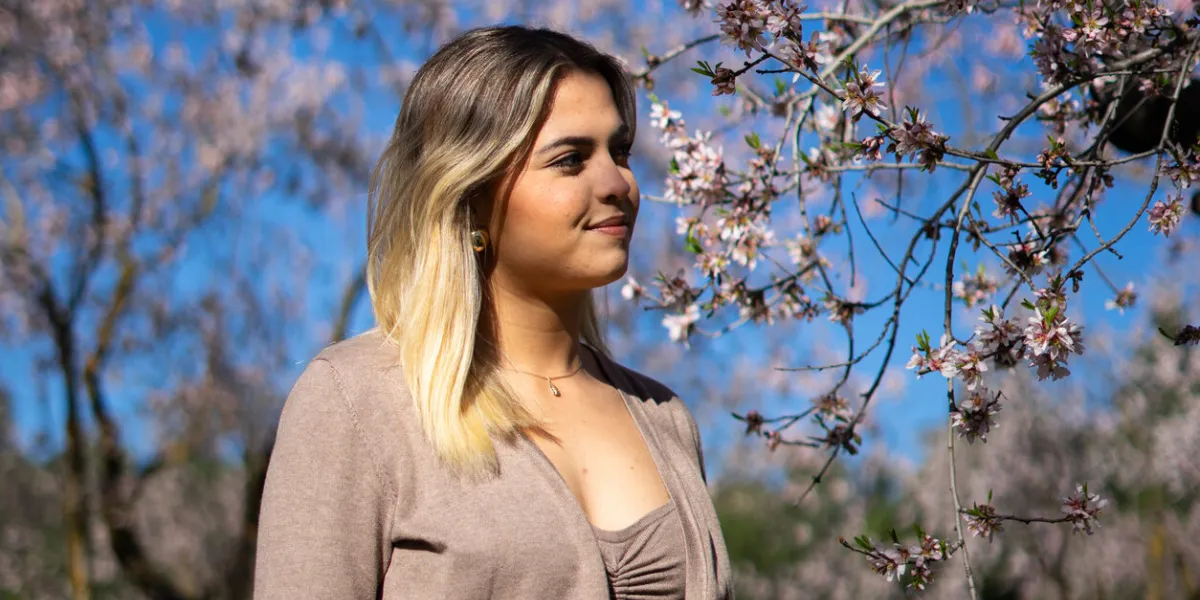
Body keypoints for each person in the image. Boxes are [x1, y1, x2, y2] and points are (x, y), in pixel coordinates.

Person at [253, 25, 733, 599]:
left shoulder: (664, 417)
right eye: (570, 159)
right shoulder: (356, 403)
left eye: (619, 151)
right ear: (470, 191)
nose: (618, 183)